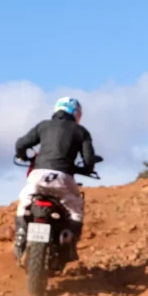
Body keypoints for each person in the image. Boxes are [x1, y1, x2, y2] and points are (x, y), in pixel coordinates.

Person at [13, 96, 98, 264]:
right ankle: (68, 244)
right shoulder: (81, 131)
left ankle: (21, 234)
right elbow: (89, 160)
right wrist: (87, 169)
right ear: (77, 114)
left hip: (38, 176)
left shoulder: (43, 126)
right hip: (63, 179)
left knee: (25, 202)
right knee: (75, 211)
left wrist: (22, 156)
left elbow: (21, 144)